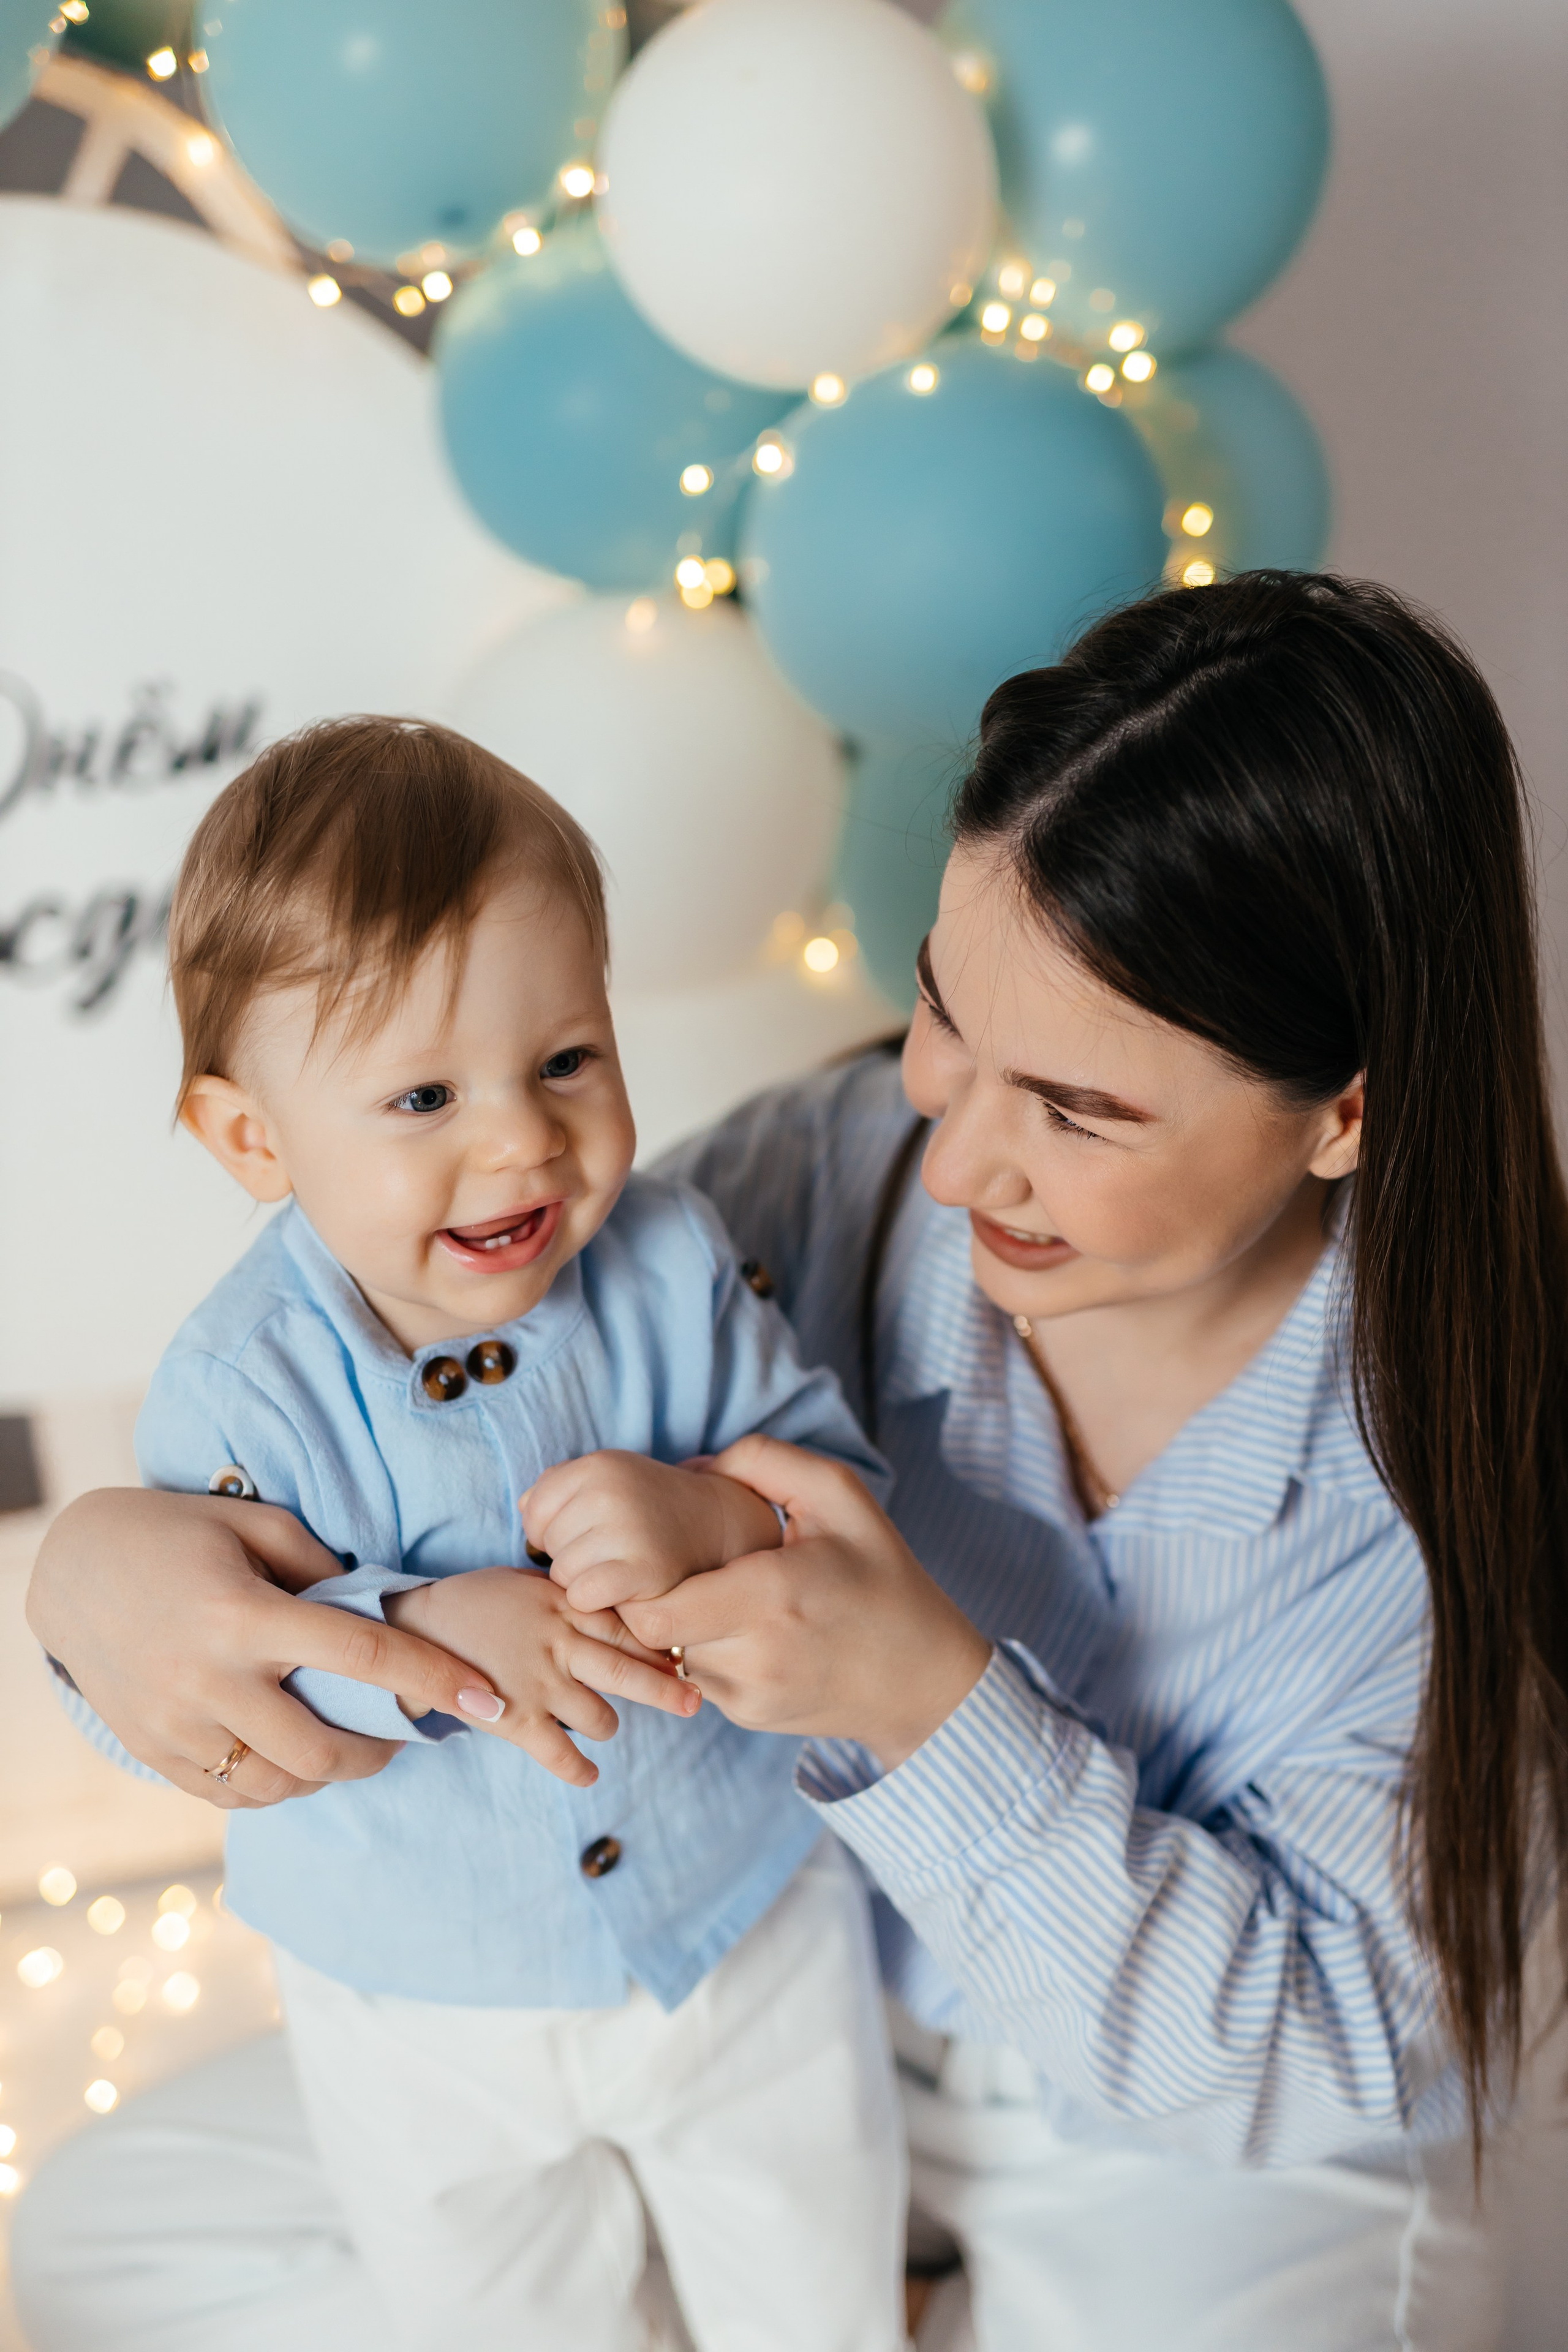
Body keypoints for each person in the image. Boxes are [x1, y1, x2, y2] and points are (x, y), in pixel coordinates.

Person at [20, 575, 1567, 2352]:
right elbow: (385, 1451)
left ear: (1343, 1110)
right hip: (759, 1980)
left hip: (1175, 2130)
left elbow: (1326, 2054)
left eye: (1077, 1112)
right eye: (946, 1017)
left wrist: (929, 1701)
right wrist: (97, 1581)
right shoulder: (821, 1182)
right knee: (109, 2245)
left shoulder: (1449, 1461)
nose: (962, 1150)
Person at [35, 715, 905, 2352]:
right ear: (253, 1139)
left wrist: (712, 1508)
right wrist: (420, 1647)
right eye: (425, 1095)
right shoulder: (244, 1387)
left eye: (566, 1061)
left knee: (815, 2270)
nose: (519, 1139)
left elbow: (827, 1474)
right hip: (421, 1992)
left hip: (737, 1910)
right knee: (501, 2310)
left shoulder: (665, 1259)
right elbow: (231, 1677)